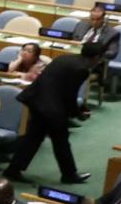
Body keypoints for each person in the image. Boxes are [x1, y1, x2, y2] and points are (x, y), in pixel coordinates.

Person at [7, 50, 92, 184]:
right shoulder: (82, 69)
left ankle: (13, 169)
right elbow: (70, 95)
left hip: (37, 100)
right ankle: (69, 175)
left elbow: (62, 88)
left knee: (34, 138)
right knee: (60, 140)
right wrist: (78, 114)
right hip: (51, 108)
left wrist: (79, 109)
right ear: (97, 58)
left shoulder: (64, 57)